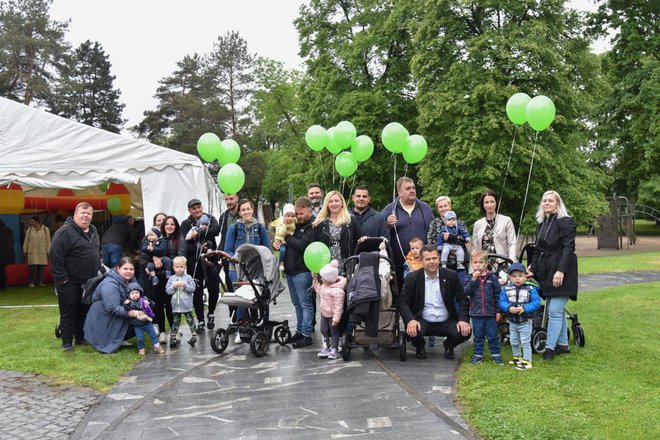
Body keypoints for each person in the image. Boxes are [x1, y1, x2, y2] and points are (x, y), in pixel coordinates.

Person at [528, 190, 578, 361]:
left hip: (563, 272)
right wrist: (532, 269)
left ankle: (550, 348)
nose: (547, 203)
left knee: (555, 311)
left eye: (550, 200)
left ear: (558, 203)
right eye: (544, 200)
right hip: (546, 272)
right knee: (556, 309)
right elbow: (537, 249)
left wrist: (561, 271)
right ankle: (563, 345)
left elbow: (568, 249)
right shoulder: (542, 223)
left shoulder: (565, 222)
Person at [398, 245, 471, 360]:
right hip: (422, 320)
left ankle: (449, 345)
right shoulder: (412, 278)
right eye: (428, 259)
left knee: (465, 331)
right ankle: (420, 346)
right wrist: (410, 320)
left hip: (446, 320)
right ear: (421, 261)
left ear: (439, 259)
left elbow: (462, 299)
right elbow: (403, 302)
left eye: (434, 258)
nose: (432, 262)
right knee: (412, 331)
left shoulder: (451, 275)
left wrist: (463, 319)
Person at [50, 202, 100, 352]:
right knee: (69, 311)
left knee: (84, 310)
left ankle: (80, 337)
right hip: (69, 281)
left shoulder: (93, 230)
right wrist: (62, 278)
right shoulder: (65, 232)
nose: (85, 216)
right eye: (82, 213)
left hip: (88, 281)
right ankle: (66, 342)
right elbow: (55, 256)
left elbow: (96, 251)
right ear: (75, 214)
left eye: (89, 213)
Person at [224, 198, 270, 342]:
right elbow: (228, 249)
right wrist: (235, 258)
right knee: (240, 298)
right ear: (239, 212)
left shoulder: (260, 227)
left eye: (248, 209)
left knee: (258, 296)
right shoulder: (234, 228)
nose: (246, 212)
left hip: (255, 268)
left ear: (252, 210)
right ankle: (241, 328)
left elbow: (266, 247)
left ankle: (261, 326)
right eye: (243, 210)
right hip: (236, 268)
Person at [274, 197, 316, 349]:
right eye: (297, 214)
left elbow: (303, 245)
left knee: (306, 304)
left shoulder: (312, 225)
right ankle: (299, 330)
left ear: (309, 210)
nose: (298, 217)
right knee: (297, 304)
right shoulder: (296, 224)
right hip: (291, 270)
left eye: (301, 214)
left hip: (302, 270)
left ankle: (306, 334)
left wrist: (286, 237)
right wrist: (278, 243)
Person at [83, 258, 148, 354]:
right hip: (103, 321)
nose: (128, 272)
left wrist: (146, 304)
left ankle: (119, 338)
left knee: (145, 316)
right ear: (118, 269)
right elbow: (112, 308)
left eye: (131, 269)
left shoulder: (130, 281)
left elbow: (138, 296)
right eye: (125, 269)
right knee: (139, 320)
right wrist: (135, 313)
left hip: (113, 316)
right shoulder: (109, 284)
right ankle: (109, 339)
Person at [178, 198, 221, 334]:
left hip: (210, 260)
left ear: (202, 207)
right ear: (189, 210)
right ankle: (201, 320)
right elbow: (186, 240)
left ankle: (211, 313)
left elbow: (216, 230)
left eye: (199, 207)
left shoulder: (209, 218)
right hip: (194, 262)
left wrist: (199, 234)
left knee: (214, 289)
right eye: (194, 208)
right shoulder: (186, 223)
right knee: (197, 292)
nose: (197, 210)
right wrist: (197, 246)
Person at [383, 177, 434, 290]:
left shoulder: (425, 208)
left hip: (423, 263)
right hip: (398, 264)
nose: (412, 190)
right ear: (400, 193)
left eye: (413, 188)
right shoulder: (389, 210)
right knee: (403, 297)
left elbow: (434, 232)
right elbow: (381, 234)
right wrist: (388, 225)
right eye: (408, 188)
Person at [499, 262, 541, 371]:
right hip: (512, 321)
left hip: (525, 321)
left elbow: (536, 302)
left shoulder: (531, 289)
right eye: (514, 276)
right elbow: (501, 301)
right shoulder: (506, 289)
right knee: (514, 340)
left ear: (525, 276)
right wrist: (508, 308)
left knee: (525, 341)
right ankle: (517, 357)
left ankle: (527, 361)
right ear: (509, 277)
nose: (517, 278)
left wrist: (525, 308)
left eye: (520, 276)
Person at [464, 249, 502, 365]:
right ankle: (478, 355)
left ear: (486, 263)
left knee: (492, 335)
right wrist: (474, 280)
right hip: (476, 313)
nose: (478, 265)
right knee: (478, 336)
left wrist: (498, 311)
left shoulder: (492, 278)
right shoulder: (469, 278)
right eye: (475, 262)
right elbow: (466, 292)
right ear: (471, 264)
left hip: (490, 313)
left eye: (480, 262)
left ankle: (496, 354)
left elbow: (497, 295)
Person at [313, 190, 362, 272]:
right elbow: (314, 245)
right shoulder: (320, 222)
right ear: (327, 204)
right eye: (330, 201)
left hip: (347, 265)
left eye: (336, 201)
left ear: (342, 203)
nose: (334, 204)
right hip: (325, 265)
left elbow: (359, 241)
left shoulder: (351, 220)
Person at [472, 189, 517, 276]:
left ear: (496, 203)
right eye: (486, 202)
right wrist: (474, 267)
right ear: (483, 205)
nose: (489, 205)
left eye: (492, 201)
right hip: (483, 266)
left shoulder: (506, 220)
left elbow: (512, 243)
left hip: (502, 264)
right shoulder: (478, 224)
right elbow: (475, 248)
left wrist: (511, 262)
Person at [149, 215, 179, 344]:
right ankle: (162, 332)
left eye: (171, 224)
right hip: (157, 277)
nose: (168, 226)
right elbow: (145, 254)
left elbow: (180, 257)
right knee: (159, 305)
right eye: (165, 223)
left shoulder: (177, 239)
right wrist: (151, 261)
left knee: (171, 305)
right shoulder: (153, 238)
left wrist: (161, 259)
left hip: (170, 276)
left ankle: (174, 332)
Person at [313, 260, 346, 360]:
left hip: (332, 315)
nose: (321, 279)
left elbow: (339, 307)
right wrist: (315, 282)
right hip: (324, 313)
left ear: (329, 279)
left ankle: (334, 349)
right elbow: (319, 291)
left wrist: (336, 319)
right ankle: (325, 347)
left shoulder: (337, 291)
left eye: (323, 278)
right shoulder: (324, 286)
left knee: (334, 332)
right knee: (323, 330)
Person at [122, 282, 165, 355]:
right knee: (140, 338)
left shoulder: (144, 299)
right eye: (132, 293)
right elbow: (126, 309)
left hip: (147, 323)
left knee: (153, 335)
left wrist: (148, 303)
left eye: (136, 293)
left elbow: (152, 305)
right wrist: (125, 304)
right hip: (137, 325)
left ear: (140, 293)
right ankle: (141, 349)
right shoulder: (129, 302)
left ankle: (157, 346)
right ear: (129, 295)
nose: (135, 295)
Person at [166, 256, 198, 347]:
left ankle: (194, 336)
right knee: (175, 322)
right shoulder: (172, 279)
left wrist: (185, 286)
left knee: (190, 320)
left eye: (181, 267)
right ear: (173, 267)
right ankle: (173, 338)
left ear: (185, 267)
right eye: (177, 267)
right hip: (176, 306)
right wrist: (173, 287)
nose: (179, 269)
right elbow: (168, 291)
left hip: (186, 305)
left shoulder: (188, 278)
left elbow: (193, 289)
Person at [23, 216, 51, 287]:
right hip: (32, 250)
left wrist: (48, 251)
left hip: (42, 251)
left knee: (41, 268)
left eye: (32, 221)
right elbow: (26, 241)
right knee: (33, 268)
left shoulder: (45, 229)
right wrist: (25, 250)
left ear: (37, 221)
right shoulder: (29, 230)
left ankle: (40, 282)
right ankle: (32, 282)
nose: (31, 223)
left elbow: (48, 241)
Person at [271, 202, 296, 267]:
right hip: (281, 241)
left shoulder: (294, 221)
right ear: (284, 216)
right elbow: (280, 233)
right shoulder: (281, 222)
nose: (290, 218)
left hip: (290, 241)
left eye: (292, 216)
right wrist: (285, 225)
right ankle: (281, 263)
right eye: (288, 216)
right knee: (283, 250)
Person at [0, 219, 15, 292]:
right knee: (2, 271)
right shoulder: (9, 231)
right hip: (8, 254)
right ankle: (4, 286)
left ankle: (1, 286)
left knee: (1, 271)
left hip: (1, 255)